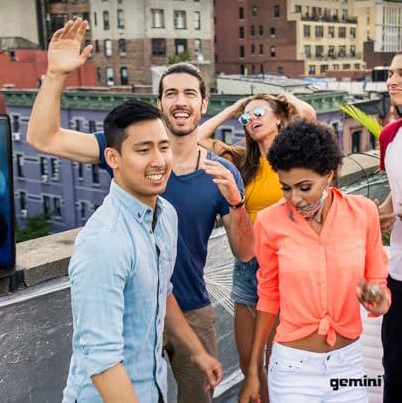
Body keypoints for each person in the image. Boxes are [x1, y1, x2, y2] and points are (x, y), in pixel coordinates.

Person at [27, 18, 254, 403]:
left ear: (203, 104)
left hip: (187, 309)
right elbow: (43, 137)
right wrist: (55, 75)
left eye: (190, 93)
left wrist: (237, 201)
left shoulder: (212, 180)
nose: (180, 101)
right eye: (171, 93)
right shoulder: (123, 153)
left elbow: (245, 253)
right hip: (129, 310)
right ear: (160, 103)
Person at [62, 99, 222, 403]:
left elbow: (162, 291)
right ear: (113, 158)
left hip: (151, 388)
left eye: (164, 147)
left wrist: (197, 351)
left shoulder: (166, 215)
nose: (159, 160)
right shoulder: (104, 242)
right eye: (143, 150)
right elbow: (103, 363)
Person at [239, 121, 391, 403]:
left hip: (349, 366)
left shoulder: (363, 213)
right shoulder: (269, 222)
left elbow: (378, 282)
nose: (295, 199)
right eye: (286, 188)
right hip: (293, 370)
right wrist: (252, 370)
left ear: (329, 175)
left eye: (304, 187)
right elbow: (268, 297)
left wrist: (379, 301)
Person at [197, 93, 316, 402]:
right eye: (246, 118)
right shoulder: (241, 160)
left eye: (259, 112)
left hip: (285, 266)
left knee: (277, 360)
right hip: (248, 265)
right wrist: (233, 109)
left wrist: (285, 99)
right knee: (247, 360)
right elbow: (198, 138)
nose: (251, 120)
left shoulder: (295, 158)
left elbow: (309, 115)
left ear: (279, 118)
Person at [379, 52, 402, 403]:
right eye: (391, 73)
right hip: (398, 274)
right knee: (395, 367)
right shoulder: (389, 137)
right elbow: (394, 195)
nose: (392, 81)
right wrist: (379, 213)